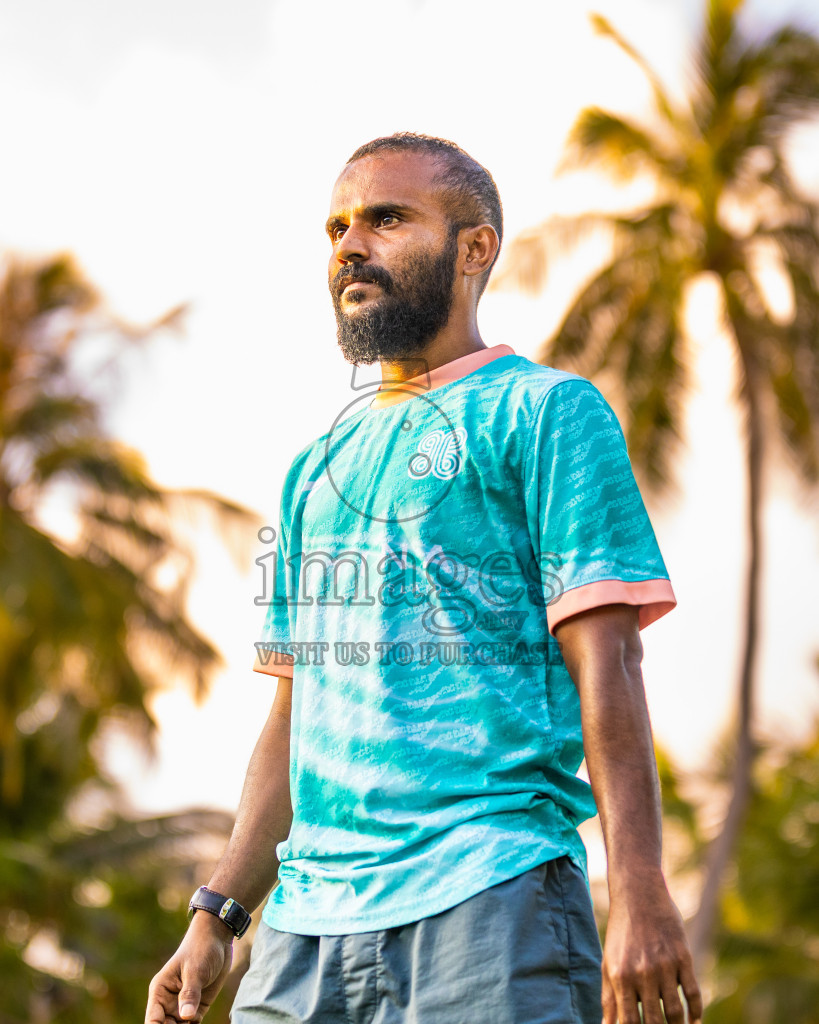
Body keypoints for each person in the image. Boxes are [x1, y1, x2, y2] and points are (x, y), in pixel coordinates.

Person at [146, 133, 703, 1024]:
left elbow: (609, 664)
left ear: (474, 248)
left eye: (386, 218)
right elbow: (296, 712)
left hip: (489, 895)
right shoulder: (313, 469)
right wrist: (217, 912)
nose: (348, 246)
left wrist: (637, 889)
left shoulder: (547, 411)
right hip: (303, 932)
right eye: (335, 227)